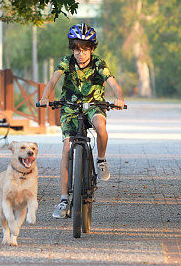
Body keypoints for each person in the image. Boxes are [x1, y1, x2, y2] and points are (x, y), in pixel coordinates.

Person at [38, 23, 125, 219]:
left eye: (85, 49)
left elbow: (112, 83)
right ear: (72, 49)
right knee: (67, 148)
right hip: (70, 107)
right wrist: (45, 97)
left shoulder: (99, 63)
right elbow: (53, 80)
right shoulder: (66, 62)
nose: (80, 54)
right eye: (77, 49)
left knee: (100, 125)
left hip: (94, 105)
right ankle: (63, 199)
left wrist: (119, 98)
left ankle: (101, 159)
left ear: (92, 49)